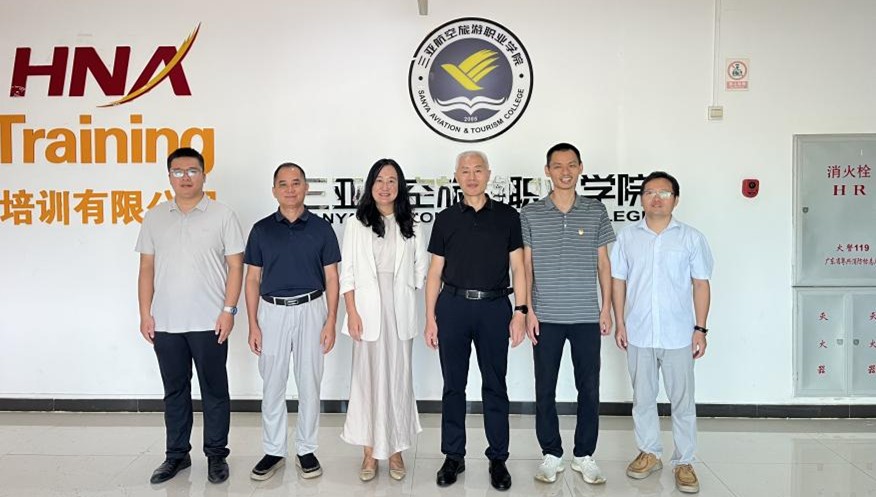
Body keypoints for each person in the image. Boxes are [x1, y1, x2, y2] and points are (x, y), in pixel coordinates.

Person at [136, 147, 244, 485]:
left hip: (210, 321)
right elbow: (146, 267)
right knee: (174, 391)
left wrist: (229, 310)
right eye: (178, 171)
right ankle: (177, 455)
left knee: (214, 391)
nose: (185, 177)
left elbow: (236, 266)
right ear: (169, 176)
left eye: (192, 171)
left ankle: (216, 455)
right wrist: (145, 313)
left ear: (204, 175)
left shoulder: (222, 215)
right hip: (166, 322)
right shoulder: (155, 217)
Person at [424, 150, 527, 491]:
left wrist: (521, 311)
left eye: (477, 170)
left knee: (495, 385)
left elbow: (519, 268)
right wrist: (430, 317)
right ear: (456, 176)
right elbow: (434, 272)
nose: (471, 176)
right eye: (465, 170)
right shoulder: (445, 219)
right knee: (453, 385)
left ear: (488, 174)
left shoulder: (508, 217)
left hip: (494, 308)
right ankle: (453, 456)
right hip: (452, 307)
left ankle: (498, 459)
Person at [610, 171, 713, 494]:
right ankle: (649, 453)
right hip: (639, 331)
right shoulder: (628, 238)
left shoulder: (691, 238)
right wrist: (620, 322)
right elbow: (618, 282)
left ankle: (684, 461)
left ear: (675, 200)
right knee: (642, 398)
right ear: (641, 198)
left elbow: (701, 284)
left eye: (664, 193)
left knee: (682, 401)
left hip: (678, 334)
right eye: (650, 192)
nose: (657, 198)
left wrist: (700, 328)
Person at [521, 143, 615, 485]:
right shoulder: (530, 213)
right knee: (544, 388)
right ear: (547, 170)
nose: (565, 171)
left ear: (580, 168)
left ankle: (584, 455)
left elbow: (603, 263)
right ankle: (551, 454)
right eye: (558, 166)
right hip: (545, 316)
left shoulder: (595, 211)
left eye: (571, 165)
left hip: (586, 316)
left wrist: (605, 308)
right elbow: (526, 266)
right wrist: (528, 310)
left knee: (588, 388)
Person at [243, 163, 341, 481]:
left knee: (309, 381)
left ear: (306, 187)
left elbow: (332, 277)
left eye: (296, 183)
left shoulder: (321, 229)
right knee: (273, 382)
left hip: (312, 308)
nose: (290, 189)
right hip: (271, 312)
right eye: (283, 184)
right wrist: (253, 324)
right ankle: (273, 450)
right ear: (274, 190)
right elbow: (252, 279)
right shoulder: (261, 230)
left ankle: (306, 449)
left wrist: (330, 320)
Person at [339, 159, 428, 481]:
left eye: (392, 180)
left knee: (398, 380)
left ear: (400, 186)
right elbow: (347, 273)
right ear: (370, 185)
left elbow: (421, 270)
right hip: (365, 313)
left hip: (399, 311)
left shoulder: (412, 223)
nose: (385, 186)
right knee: (366, 382)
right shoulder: (356, 223)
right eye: (379, 180)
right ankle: (368, 452)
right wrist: (352, 312)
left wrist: (402, 288)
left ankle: (395, 450)